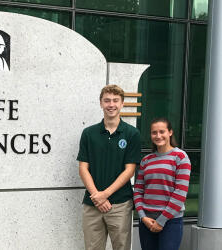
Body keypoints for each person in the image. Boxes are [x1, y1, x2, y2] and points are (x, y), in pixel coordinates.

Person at [77, 84, 141, 250]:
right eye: (107, 100)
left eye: (115, 100)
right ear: (100, 103)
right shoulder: (89, 133)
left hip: (120, 204)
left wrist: (105, 194)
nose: (111, 104)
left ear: (122, 104)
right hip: (92, 204)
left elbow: (129, 170)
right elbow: (83, 168)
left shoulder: (132, 134)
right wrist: (97, 197)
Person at [134, 118, 191, 250]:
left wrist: (161, 221)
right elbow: (138, 191)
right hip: (147, 221)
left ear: (170, 132)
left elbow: (180, 194)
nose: (158, 136)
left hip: (171, 221)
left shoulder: (181, 157)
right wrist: (142, 217)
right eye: (154, 132)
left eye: (162, 131)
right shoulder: (146, 160)